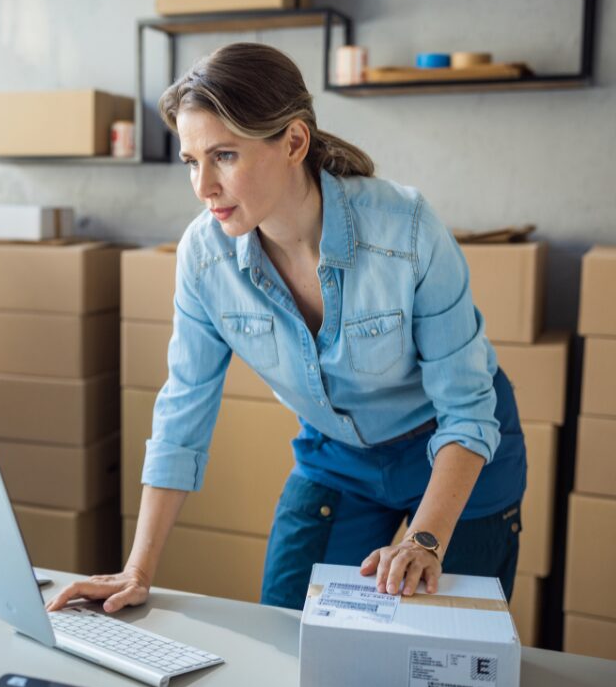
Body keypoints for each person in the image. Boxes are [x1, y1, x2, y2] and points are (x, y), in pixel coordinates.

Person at [47, 42, 526, 615]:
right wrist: (137, 569)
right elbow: (183, 411)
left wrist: (424, 541)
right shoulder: (205, 257)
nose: (203, 188)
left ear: (294, 142)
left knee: (436, 668)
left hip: (459, 453)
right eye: (191, 161)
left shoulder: (407, 231)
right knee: (287, 628)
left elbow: (468, 410)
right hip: (337, 456)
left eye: (223, 156)